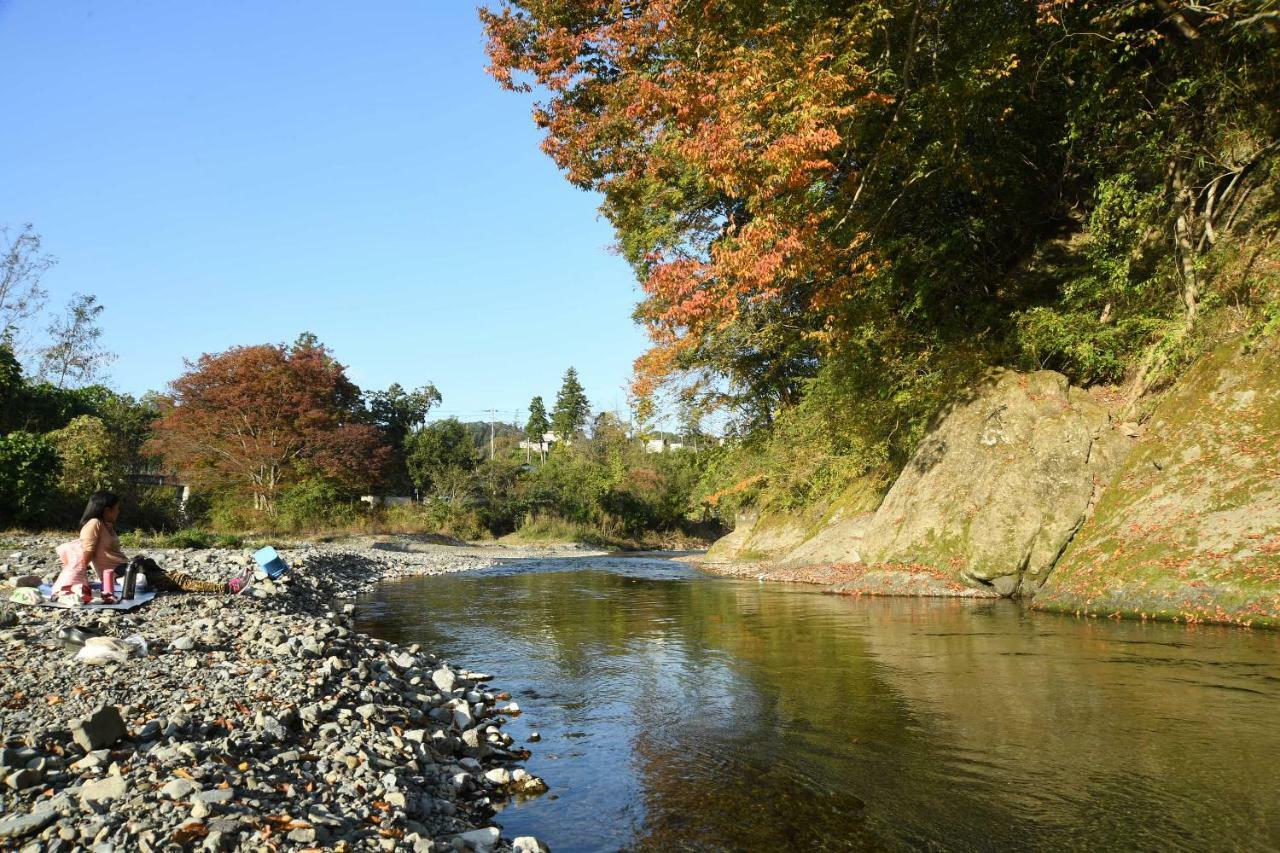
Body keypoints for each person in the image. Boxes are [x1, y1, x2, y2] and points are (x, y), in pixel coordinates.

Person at [52, 491, 250, 603]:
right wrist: (75, 581)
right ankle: (227, 588)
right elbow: (85, 554)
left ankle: (224, 586)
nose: (118, 512)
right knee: (178, 578)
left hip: (127, 568)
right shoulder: (93, 525)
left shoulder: (107, 525)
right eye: (116, 508)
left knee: (172, 578)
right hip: (119, 574)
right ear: (106, 510)